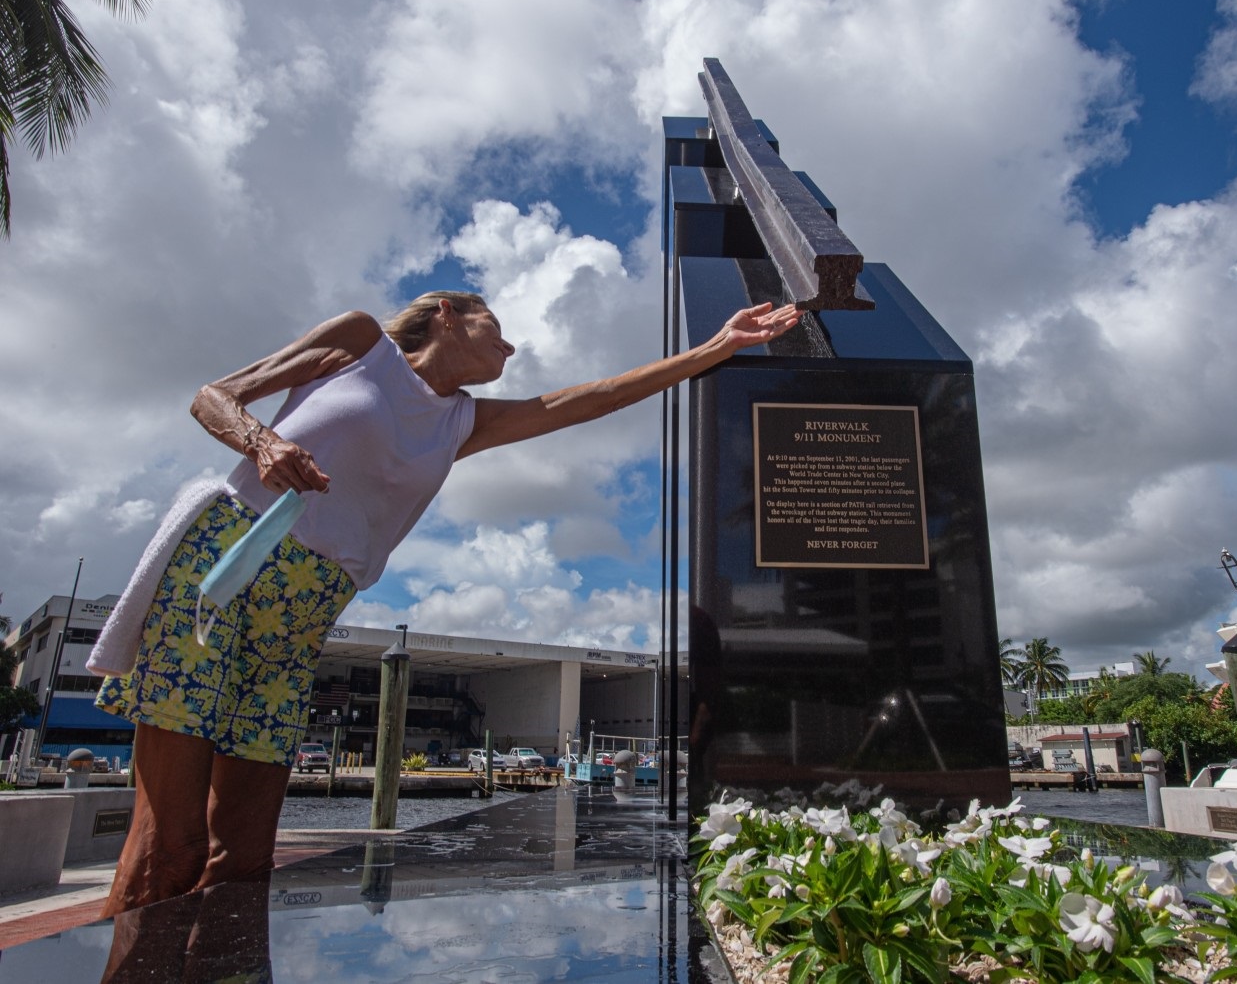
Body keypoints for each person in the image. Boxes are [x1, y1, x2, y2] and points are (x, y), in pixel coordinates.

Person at [89, 291, 800, 915]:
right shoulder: (359, 341)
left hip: (302, 616)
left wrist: (716, 346)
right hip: (225, 573)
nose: (512, 345)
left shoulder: (460, 421)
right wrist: (264, 441)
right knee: (169, 851)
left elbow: (594, 397)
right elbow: (213, 394)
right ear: (447, 314)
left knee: (238, 862)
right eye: (498, 326)